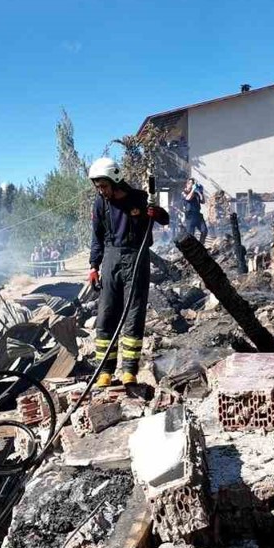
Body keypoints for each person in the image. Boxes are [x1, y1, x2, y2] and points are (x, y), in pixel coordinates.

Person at [87, 157, 168, 387]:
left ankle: (129, 370)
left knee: (133, 315)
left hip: (136, 258)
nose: (101, 191)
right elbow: (97, 237)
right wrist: (94, 265)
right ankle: (105, 371)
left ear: (114, 181)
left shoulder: (140, 199)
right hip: (111, 260)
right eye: (98, 187)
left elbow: (165, 219)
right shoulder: (100, 204)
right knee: (106, 314)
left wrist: (155, 213)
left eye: (103, 186)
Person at [181, 178, 208, 242]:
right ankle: (190, 249)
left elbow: (203, 201)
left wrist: (201, 192)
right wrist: (193, 189)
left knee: (204, 231)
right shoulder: (184, 192)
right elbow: (188, 198)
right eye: (191, 183)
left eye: (193, 183)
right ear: (187, 184)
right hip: (190, 215)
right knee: (190, 235)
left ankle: (201, 245)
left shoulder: (196, 193)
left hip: (197, 214)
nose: (192, 185)